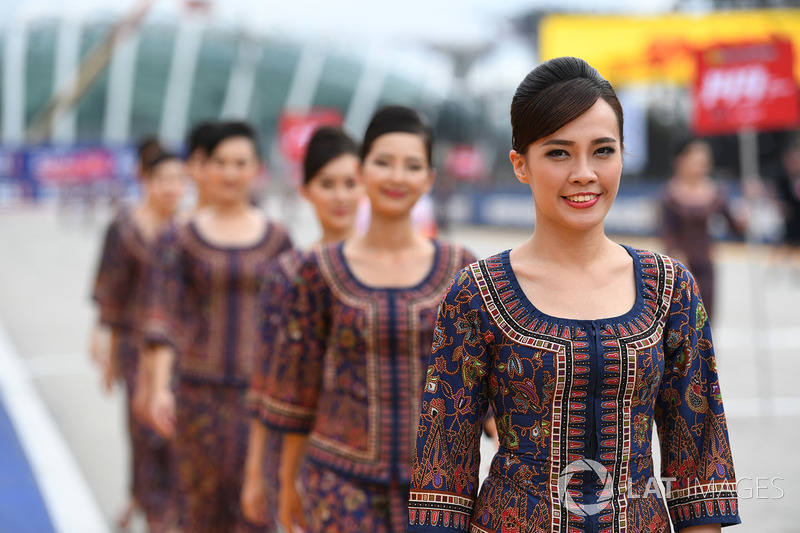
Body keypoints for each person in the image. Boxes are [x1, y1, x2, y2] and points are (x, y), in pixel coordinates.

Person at [407, 57, 741, 533]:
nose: (584, 173)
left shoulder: (671, 288)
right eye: (559, 153)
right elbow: (443, 471)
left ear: (623, 154)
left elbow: (700, 457)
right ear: (520, 164)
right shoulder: (475, 293)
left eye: (602, 150)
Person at [257, 106, 475, 533]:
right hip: (339, 481)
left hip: (435, 489)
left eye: (412, 165)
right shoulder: (317, 270)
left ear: (429, 179)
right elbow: (300, 388)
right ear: (361, 171)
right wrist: (286, 482)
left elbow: (476, 379)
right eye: (383, 162)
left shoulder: (460, 269)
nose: (397, 176)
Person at [144, 121, 293, 532]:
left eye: (240, 163)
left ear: (257, 168)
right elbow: (163, 316)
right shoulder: (179, 237)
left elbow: (293, 325)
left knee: (257, 507)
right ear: (203, 168)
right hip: (196, 394)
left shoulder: (278, 238)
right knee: (197, 508)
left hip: (260, 399)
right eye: (220, 163)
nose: (230, 173)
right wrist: (158, 388)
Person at [240, 126, 364, 529]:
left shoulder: (393, 274)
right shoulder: (287, 273)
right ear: (306, 190)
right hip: (300, 456)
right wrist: (257, 472)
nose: (341, 196)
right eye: (327, 184)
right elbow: (268, 380)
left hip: (374, 459)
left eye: (350, 183)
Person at [91, 143, 186, 532]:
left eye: (178, 180)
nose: (171, 188)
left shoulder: (188, 232)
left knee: (176, 434)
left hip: (181, 352)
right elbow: (111, 294)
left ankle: (168, 509)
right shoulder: (125, 229)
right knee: (144, 432)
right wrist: (109, 351)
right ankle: (152, 511)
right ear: (146, 182)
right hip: (134, 347)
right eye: (162, 180)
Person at [659, 139, 744, 320]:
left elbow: (736, 227)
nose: (701, 166)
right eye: (696, 160)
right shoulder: (669, 195)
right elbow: (667, 234)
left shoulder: (715, 192)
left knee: (705, 321)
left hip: (706, 264)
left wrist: (747, 210)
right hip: (680, 267)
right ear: (681, 161)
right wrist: (679, 262)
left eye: (705, 161)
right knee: (682, 322)